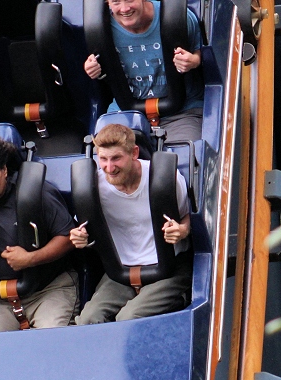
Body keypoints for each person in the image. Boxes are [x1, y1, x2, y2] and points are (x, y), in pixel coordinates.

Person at [0, 135, 78, 332]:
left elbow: (68, 237)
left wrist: (31, 258)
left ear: (4, 170)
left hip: (47, 289)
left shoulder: (36, 194)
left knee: (53, 343)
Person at [70, 124, 192, 323]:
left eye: (116, 158)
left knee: (129, 317)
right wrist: (79, 237)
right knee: (88, 319)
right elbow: (82, 227)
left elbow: (187, 217)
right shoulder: (93, 187)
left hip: (168, 266)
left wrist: (182, 230)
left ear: (134, 153)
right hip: (120, 271)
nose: (110, 168)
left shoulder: (163, 178)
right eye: (103, 159)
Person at [84, 0, 204, 142]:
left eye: (130, 0)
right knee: (109, 158)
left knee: (183, 158)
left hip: (182, 111)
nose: (124, 8)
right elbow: (97, 65)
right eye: (116, 2)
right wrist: (92, 68)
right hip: (125, 113)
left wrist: (194, 61)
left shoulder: (179, 18)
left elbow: (202, 52)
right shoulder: (100, 30)